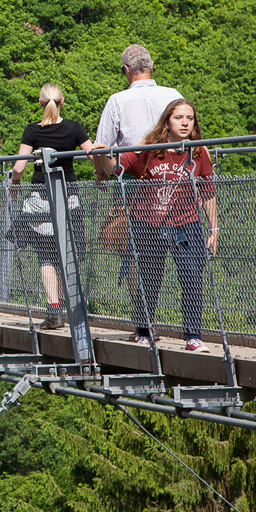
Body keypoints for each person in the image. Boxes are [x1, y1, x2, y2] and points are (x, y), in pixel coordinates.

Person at [94, 99, 219, 351]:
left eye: (190, 118)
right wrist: (105, 155)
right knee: (149, 278)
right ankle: (144, 330)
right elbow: (117, 169)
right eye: (179, 118)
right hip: (148, 222)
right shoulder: (150, 149)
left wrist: (214, 229)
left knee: (193, 277)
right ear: (167, 121)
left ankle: (193, 336)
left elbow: (208, 192)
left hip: (186, 222)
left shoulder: (198, 151)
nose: (185, 123)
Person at [9, 84, 96, 329]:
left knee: (46, 257)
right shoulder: (74, 128)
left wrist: (14, 183)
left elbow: (18, 167)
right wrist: (101, 174)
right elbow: (92, 153)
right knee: (67, 255)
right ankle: (76, 309)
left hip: (39, 200)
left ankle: (54, 311)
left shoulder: (32, 130)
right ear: (62, 101)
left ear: (40, 102)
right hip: (68, 197)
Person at [91, 44, 183, 175]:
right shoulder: (174, 95)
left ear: (126, 69)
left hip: (132, 174)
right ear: (151, 65)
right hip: (173, 171)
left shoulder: (117, 100)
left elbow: (100, 145)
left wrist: (100, 174)